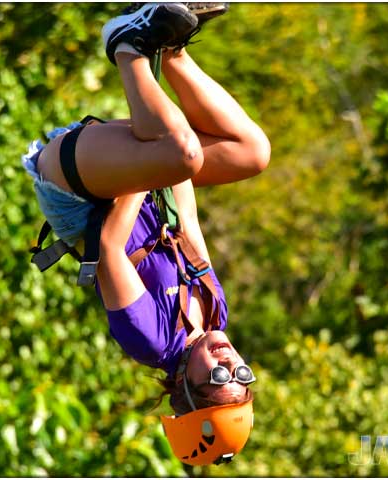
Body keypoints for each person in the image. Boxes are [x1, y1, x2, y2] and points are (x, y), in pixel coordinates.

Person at [21, 3, 270, 465]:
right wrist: (167, 159)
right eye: (240, 372)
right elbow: (185, 221)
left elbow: (113, 247)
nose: (227, 360)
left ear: (184, 386)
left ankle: (127, 44)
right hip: (127, 183)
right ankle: (169, 45)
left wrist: (162, 159)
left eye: (217, 377)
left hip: (77, 193)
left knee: (183, 152)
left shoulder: (151, 340)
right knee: (251, 152)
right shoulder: (215, 312)